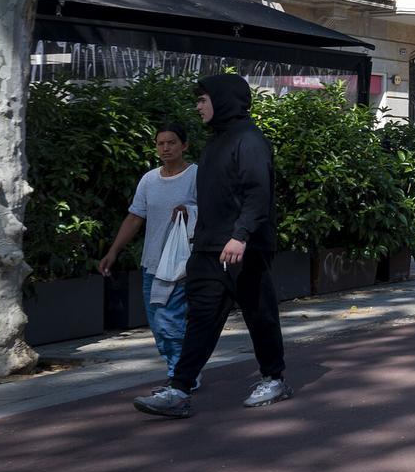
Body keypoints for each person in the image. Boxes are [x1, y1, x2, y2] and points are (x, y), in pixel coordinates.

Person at [133, 74, 290, 418]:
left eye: (203, 99)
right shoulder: (216, 141)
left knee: (259, 314)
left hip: (243, 248)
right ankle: (179, 389)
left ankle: (274, 378)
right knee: (201, 319)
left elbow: (257, 193)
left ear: (223, 100)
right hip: (207, 249)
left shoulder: (249, 140)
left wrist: (241, 235)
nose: (198, 106)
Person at [99, 123, 198, 389]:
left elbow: (213, 212)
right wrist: (113, 251)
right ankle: (179, 371)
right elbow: (135, 218)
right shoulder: (149, 179)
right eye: (160, 143)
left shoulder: (196, 176)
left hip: (180, 264)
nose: (165, 148)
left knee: (169, 321)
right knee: (158, 324)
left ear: (184, 145)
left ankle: (182, 377)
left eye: (172, 142)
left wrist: (190, 212)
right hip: (152, 263)